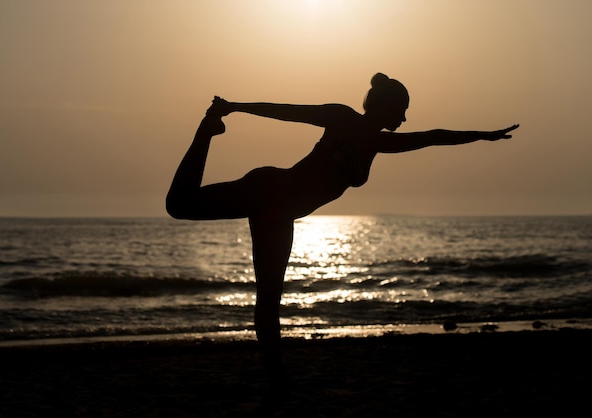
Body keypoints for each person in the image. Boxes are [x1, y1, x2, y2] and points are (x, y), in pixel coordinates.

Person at [166, 73, 518, 403]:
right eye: (402, 110)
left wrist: (483, 136)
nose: (405, 119)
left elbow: (434, 136)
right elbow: (288, 113)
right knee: (179, 205)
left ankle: (278, 383)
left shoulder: (379, 143)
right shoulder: (340, 117)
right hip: (269, 190)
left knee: (269, 300)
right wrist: (235, 107)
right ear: (384, 105)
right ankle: (207, 130)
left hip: (280, 216)